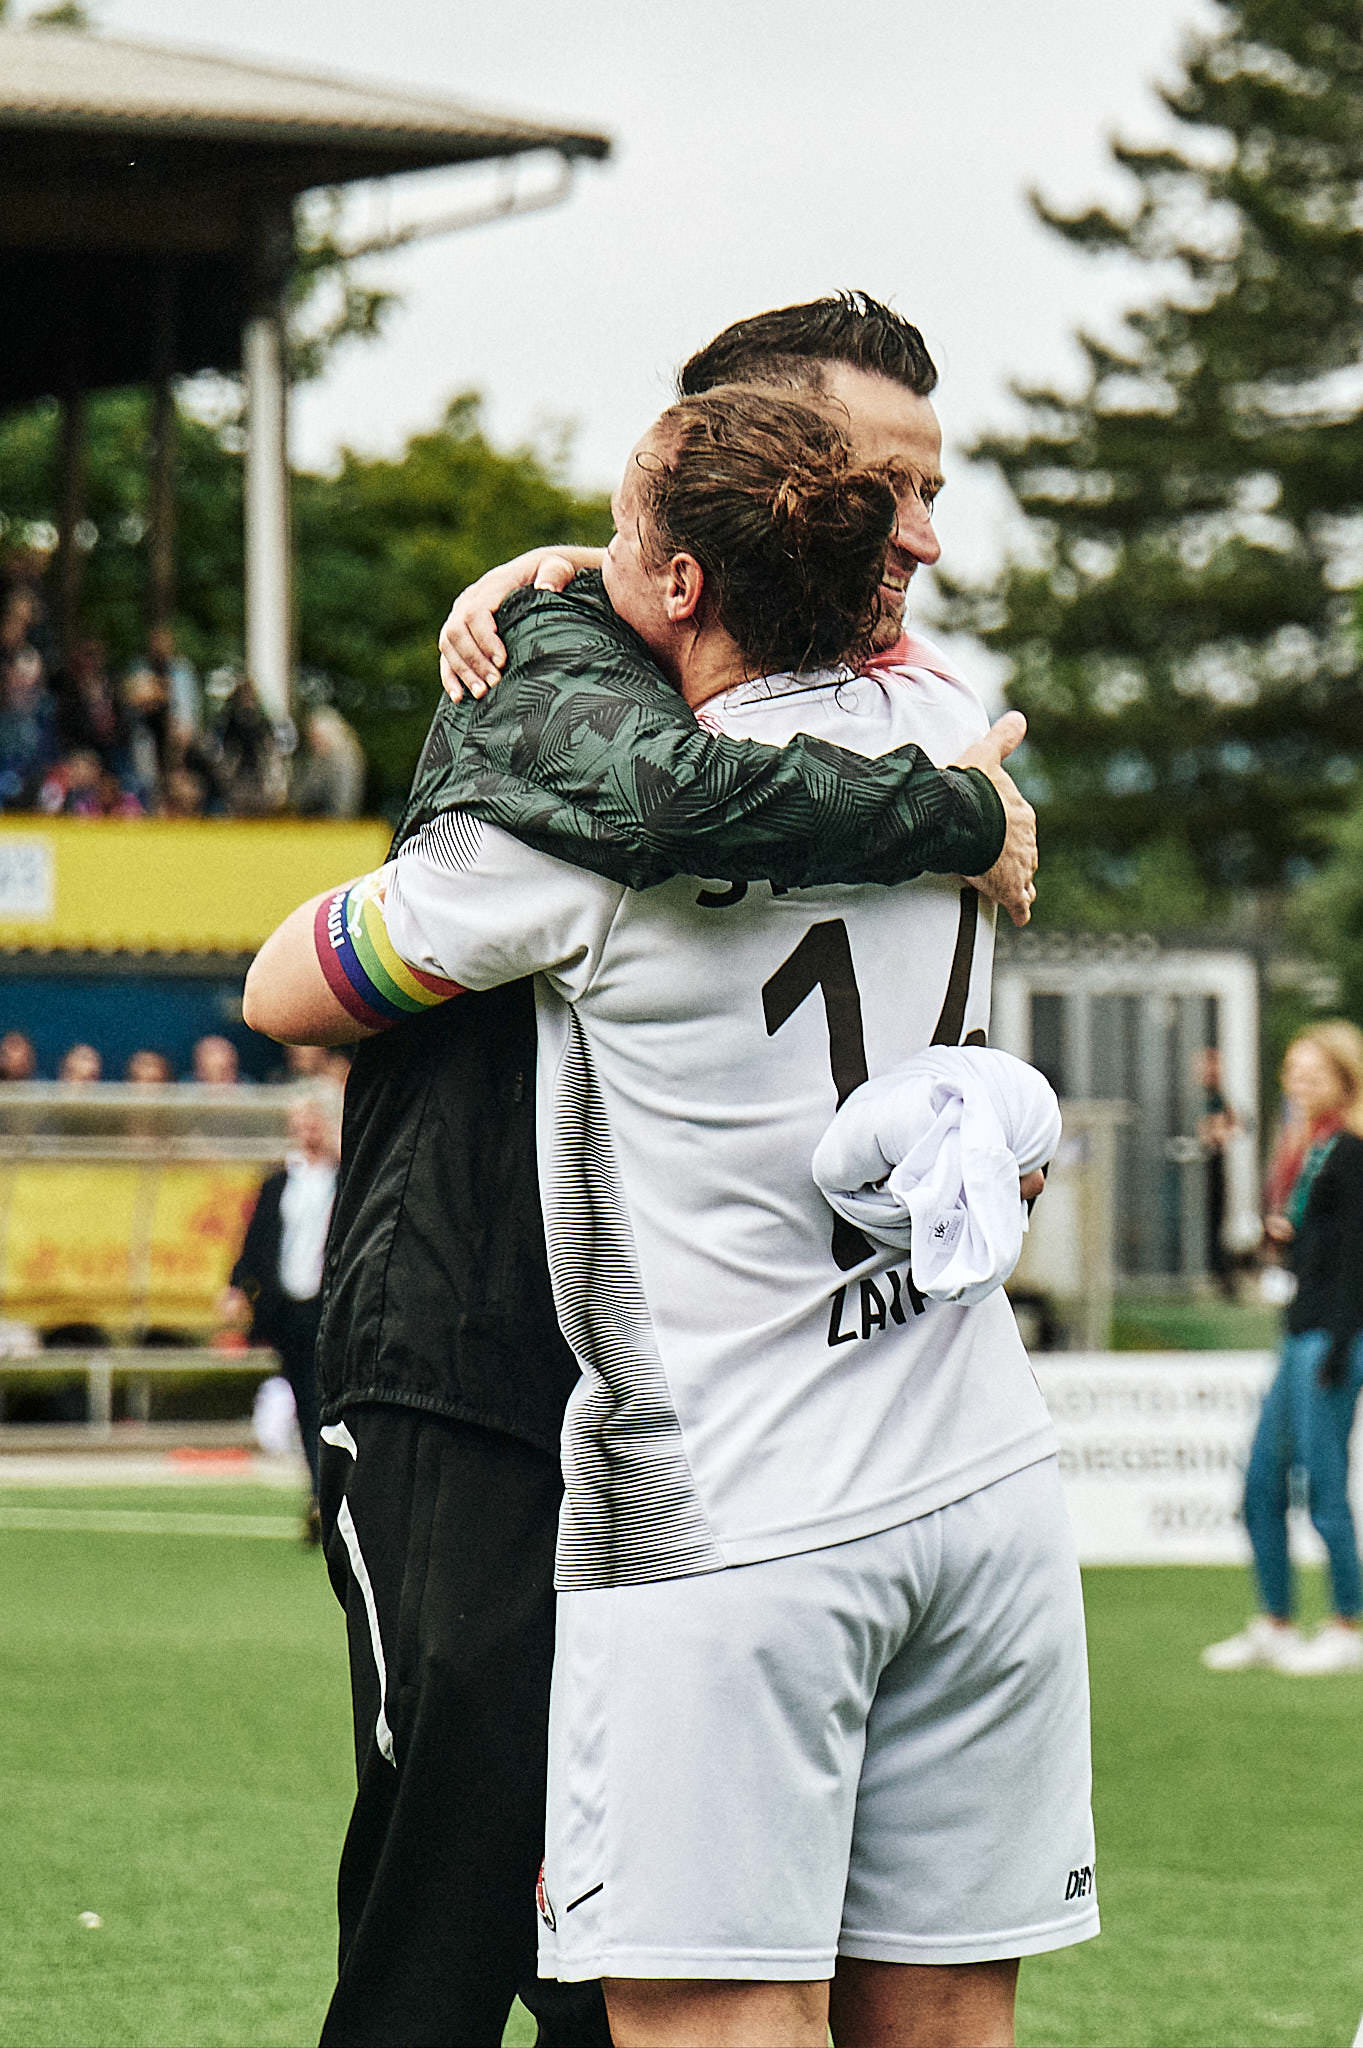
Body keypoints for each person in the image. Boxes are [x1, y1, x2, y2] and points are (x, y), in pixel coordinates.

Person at [245, 383, 1091, 2048]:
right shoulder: (954, 733)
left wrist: (522, 668)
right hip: (980, 1476)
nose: (585, 566)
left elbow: (289, 988)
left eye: (617, 537)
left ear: (683, 581)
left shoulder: (568, 850)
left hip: (732, 1513)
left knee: (714, 2019)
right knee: (940, 2020)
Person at [1203, 1022, 1363, 1677]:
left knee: (1324, 1484)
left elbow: (1353, 1259)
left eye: (1312, 1073)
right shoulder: (1306, 1146)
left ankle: (1347, 1625)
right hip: (1299, 1330)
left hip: (1332, 1335)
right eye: (1292, 1071)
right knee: (1261, 1482)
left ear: (1343, 1081)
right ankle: (1275, 1622)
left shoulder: (1351, 1150)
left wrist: (1339, 1346)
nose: (1298, 1082)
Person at [220, 1094, 339, 1526]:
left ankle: (331, 1492)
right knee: (307, 1401)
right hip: (289, 1309)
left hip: (330, 1305)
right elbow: (255, 1241)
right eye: (301, 1121)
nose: (308, 1129)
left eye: (314, 1120)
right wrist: (236, 1286)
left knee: (329, 1399)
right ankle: (321, 1493)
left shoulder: (344, 1178)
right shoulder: (277, 1183)